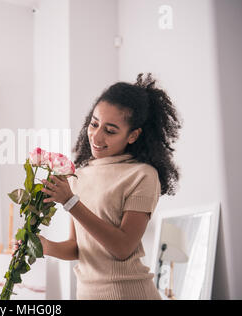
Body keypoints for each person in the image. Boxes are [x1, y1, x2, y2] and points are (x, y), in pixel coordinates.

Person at [40, 73, 182, 300]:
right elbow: (78, 248)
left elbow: (123, 247)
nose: (96, 136)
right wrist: (45, 246)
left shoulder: (142, 175)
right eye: (94, 124)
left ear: (133, 135)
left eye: (110, 130)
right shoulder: (80, 175)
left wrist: (70, 202)